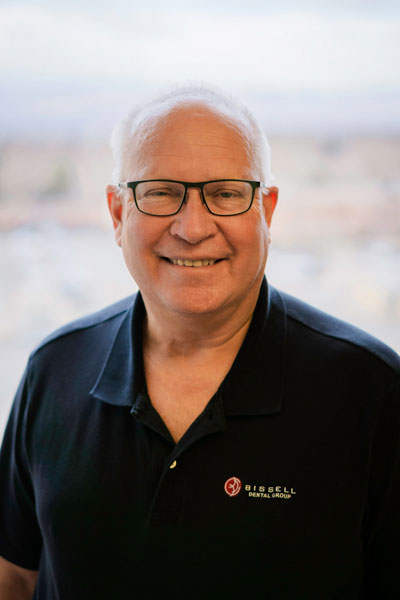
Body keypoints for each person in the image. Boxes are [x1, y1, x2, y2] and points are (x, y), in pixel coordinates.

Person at [0, 86, 399, 600]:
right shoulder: (54, 369)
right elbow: (14, 577)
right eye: (161, 191)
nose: (192, 228)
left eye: (227, 193)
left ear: (267, 211)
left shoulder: (368, 390)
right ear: (119, 213)